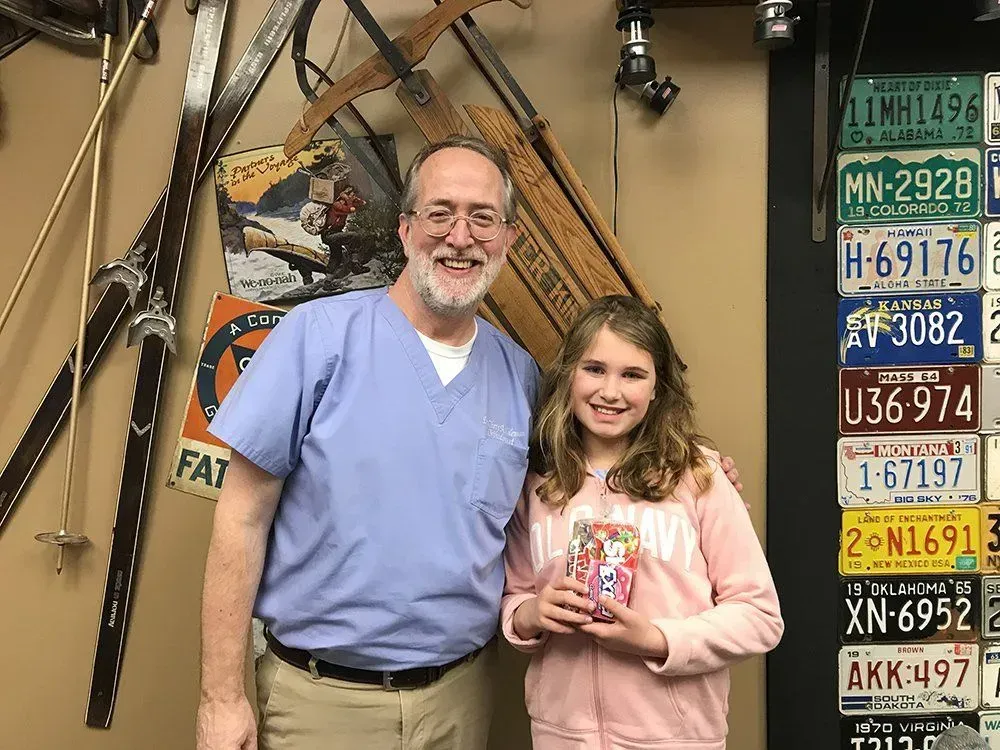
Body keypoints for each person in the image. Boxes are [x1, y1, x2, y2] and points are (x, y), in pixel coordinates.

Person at [194, 134, 743, 750]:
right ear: (405, 229)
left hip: (460, 698)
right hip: (323, 700)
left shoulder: (520, 376)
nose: (461, 236)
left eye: (483, 218)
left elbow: (592, 458)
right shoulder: (313, 338)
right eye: (440, 213)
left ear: (508, 239)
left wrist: (690, 465)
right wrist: (221, 696)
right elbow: (239, 518)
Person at [500, 294, 783, 750]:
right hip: (561, 736)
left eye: (632, 374)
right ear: (568, 375)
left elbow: (760, 616)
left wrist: (655, 640)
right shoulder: (536, 487)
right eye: (594, 369)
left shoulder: (699, 476)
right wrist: (533, 615)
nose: (610, 391)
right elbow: (514, 598)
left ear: (656, 388)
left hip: (675, 737)